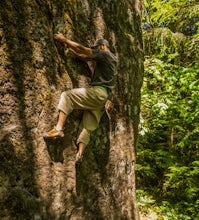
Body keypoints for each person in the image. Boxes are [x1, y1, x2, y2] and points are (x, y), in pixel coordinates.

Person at [44, 32, 117, 163]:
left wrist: (65, 40)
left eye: (95, 48)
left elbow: (84, 50)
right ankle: (80, 154)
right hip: (103, 100)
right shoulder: (112, 59)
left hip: (97, 93)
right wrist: (77, 56)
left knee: (67, 96)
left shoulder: (104, 54)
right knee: (88, 126)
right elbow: (87, 57)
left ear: (102, 46)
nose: (94, 51)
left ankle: (58, 129)